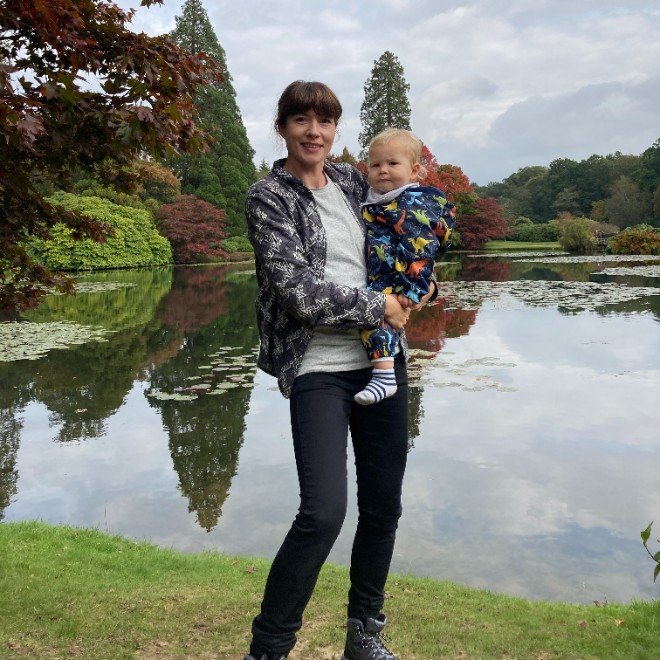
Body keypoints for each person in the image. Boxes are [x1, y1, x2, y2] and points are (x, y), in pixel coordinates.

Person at [242, 81, 436, 660]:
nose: (314, 132)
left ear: (335, 129)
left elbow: (405, 232)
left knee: (383, 508)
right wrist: (382, 305)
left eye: (324, 121)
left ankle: (364, 633)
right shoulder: (268, 198)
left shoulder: (354, 181)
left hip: (382, 362)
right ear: (282, 128)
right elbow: (299, 292)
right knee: (323, 512)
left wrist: (420, 283)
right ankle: (269, 647)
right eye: (301, 120)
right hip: (318, 369)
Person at [354, 128, 455, 405]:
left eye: (392, 163)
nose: (383, 170)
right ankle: (384, 374)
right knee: (375, 315)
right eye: (375, 165)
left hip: (398, 278)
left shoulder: (411, 204)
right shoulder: (381, 198)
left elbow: (420, 249)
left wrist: (414, 288)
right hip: (383, 274)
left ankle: (384, 375)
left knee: (375, 317)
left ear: (414, 171)